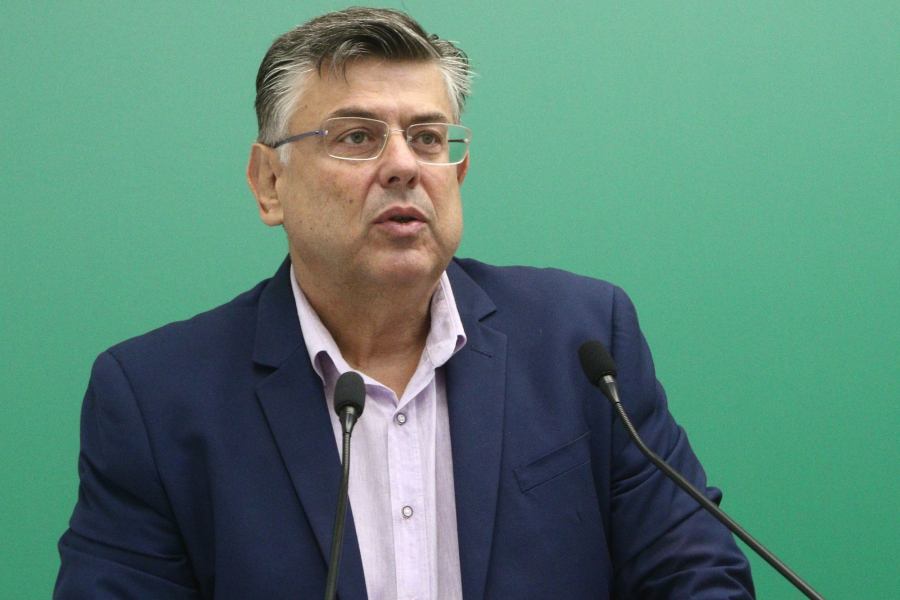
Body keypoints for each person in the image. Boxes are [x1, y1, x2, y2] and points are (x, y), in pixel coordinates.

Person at [54, 7, 755, 599]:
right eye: (357, 137)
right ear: (270, 184)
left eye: (426, 138)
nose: (403, 165)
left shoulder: (582, 342)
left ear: (458, 172)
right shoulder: (156, 399)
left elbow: (696, 574)